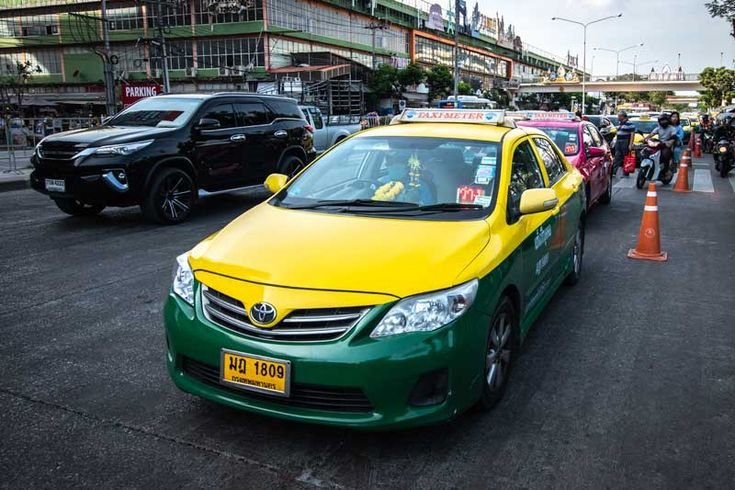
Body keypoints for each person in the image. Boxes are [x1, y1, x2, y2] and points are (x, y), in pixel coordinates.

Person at [645, 114, 679, 183]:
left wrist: (669, 142)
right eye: (661, 121)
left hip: (667, 145)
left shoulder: (672, 128)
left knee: (665, 155)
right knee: (648, 151)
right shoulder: (658, 128)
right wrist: (645, 139)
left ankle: (665, 171)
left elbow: (673, 137)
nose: (663, 122)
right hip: (659, 144)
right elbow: (651, 134)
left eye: (664, 120)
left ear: (668, 120)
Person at [612, 110, 636, 176]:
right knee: (617, 156)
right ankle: (614, 172)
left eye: (619, 116)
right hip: (618, 141)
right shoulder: (620, 123)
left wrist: (630, 144)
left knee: (626, 157)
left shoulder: (629, 123)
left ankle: (626, 171)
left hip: (625, 141)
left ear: (623, 116)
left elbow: (632, 134)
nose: (618, 117)